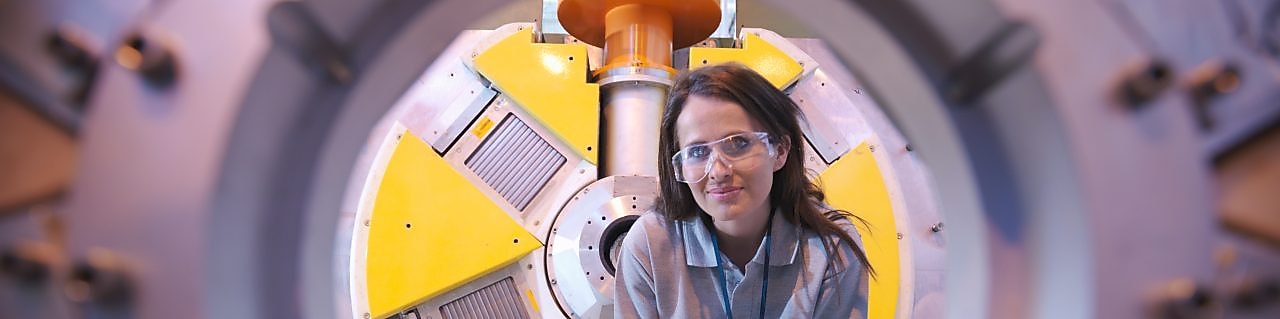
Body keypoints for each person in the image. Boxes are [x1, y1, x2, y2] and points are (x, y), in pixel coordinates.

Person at [613, 63, 874, 318]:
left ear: (780, 151)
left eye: (738, 143)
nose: (718, 171)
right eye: (697, 152)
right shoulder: (649, 245)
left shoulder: (830, 249)